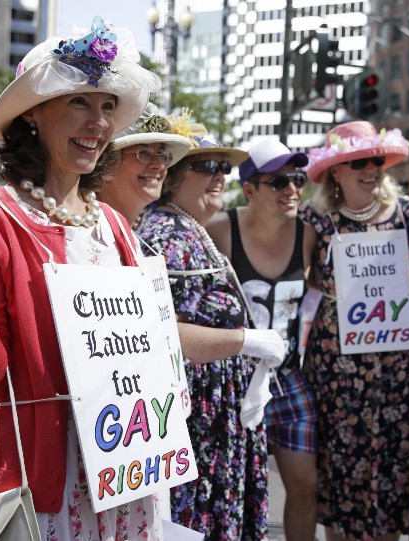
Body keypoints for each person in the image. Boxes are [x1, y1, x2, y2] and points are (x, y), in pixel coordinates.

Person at [0, 19, 169, 540]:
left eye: (106, 106)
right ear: (32, 112)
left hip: (123, 478)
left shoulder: (114, 225)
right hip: (38, 485)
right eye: (79, 102)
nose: (98, 122)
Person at [137, 129, 286, 539]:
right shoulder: (165, 234)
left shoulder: (189, 229)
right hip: (198, 419)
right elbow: (160, 332)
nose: (221, 175)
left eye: (225, 167)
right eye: (206, 166)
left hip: (216, 414)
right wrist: (245, 341)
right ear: (173, 177)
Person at [301, 121, 409, 541]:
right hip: (337, 371)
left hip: (399, 371)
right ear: (336, 171)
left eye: (376, 160)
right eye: (359, 162)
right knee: (340, 480)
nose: (371, 169)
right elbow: (299, 280)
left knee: (394, 478)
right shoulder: (314, 219)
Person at [208, 138, 318, 541]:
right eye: (279, 182)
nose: (292, 190)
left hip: (288, 378)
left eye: (297, 180)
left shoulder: (309, 235)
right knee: (234, 489)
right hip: (234, 380)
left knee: (306, 484)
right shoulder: (219, 231)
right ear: (250, 189)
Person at [98, 103, 193, 225]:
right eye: (144, 154)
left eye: (163, 155)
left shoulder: (131, 234)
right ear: (108, 164)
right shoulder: (87, 233)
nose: (160, 165)